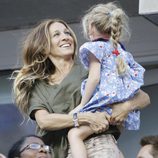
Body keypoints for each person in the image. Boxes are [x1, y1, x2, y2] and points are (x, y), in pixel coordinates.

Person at [12, 18, 150, 158]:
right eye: (56, 34)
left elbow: (143, 97)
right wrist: (86, 118)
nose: (65, 37)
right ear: (43, 46)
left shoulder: (92, 69)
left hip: (99, 146)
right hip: (62, 153)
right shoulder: (39, 85)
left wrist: (124, 108)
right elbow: (45, 121)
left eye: (67, 33)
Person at [68, 2, 145, 158]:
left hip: (105, 106)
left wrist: (82, 105)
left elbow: (94, 77)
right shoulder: (120, 51)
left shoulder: (95, 48)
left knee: (74, 134)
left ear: (90, 25)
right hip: (120, 108)